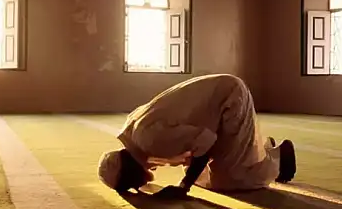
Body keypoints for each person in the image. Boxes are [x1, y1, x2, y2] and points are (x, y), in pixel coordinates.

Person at [97, 74, 296, 199]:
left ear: (132, 173)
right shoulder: (134, 134)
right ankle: (258, 148)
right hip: (219, 106)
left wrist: (183, 187)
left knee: (234, 179)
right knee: (203, 176)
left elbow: (206, 143)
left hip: (231, 99)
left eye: (133, 184)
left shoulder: (150, 140)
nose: (140, 185)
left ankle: (279, 157)